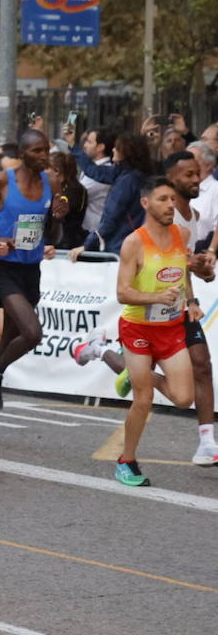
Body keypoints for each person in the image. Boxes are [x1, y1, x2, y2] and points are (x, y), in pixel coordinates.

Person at [111, 177, 197, 486]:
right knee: (143, 399)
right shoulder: (135, 242)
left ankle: (137, 374)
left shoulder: (182, 234)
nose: (171, 205)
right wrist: (155, 298)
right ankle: (126, 460)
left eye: (172, 199)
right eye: (163, 199)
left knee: (185, 398)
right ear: (146, 203)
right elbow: (122, 293)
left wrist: (193, 299)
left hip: (170, 328)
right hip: (137, 327)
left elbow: (183, 271)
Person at [0, 129, 65, 411]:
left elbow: (54, 233)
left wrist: (57, 218)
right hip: (3, 268)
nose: (44, 156)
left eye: (46, 150)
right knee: (32, 333)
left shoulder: (51, 182)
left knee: (8, 340)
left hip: (31, 269)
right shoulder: (2, 180)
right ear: (23, 154)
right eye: (37, 151)